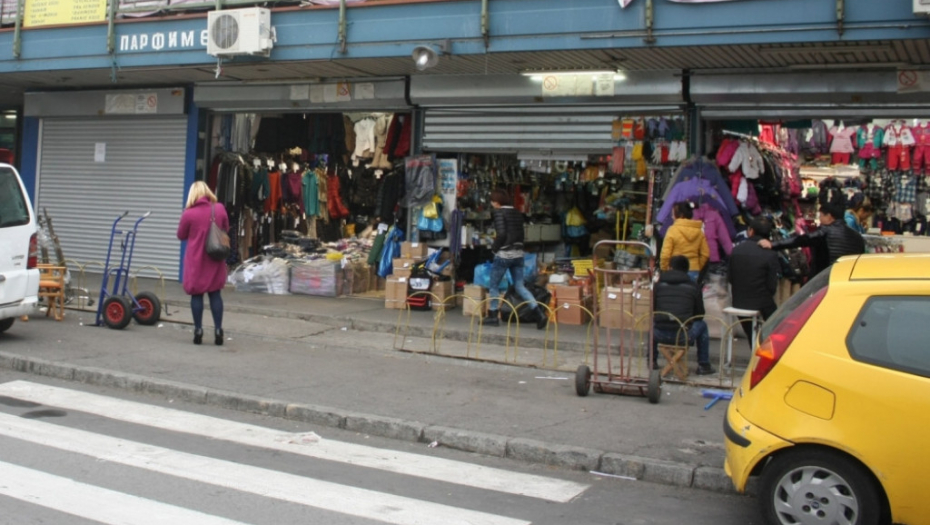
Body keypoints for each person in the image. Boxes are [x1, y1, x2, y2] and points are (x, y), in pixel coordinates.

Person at [483, 189, 547, 330]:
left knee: (493, 285)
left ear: (497, 202)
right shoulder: (517, 213)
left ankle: (493, 315)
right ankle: (539, 314)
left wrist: (494, 248)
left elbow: (501, 234)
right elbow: (521, 233)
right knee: (520, 286)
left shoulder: (499, 213)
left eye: (492, 201)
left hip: (504, 254)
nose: (492, 204)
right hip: (518, 254)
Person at [177, 181, 229, 345]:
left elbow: (181, 235)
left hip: (196, 260)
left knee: (197, 295)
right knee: (215, 294)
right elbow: (226, 228)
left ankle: (198, 330)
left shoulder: (189, 214)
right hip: (215, 258)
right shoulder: (219, 208)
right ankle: (218, 330)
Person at [759, 201, 865, 277]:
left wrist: (773, 244)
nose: (820, 219)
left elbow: (800, 240)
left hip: (826, 277)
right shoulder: (857, 236)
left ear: (829, 216)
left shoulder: (825, 231)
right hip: (849, 277)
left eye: (821, 216)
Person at [653, 255, 715, 375]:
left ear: (670, 268)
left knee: (652, 322)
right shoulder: (693, 286)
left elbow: (653, 309)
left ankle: (652, 361)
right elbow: (699, 315)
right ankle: (703, 365)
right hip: (683, 336)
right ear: (687, 270)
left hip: (659, 334)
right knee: (702, 325)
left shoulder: (658, 285)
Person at [728, 217, 781, 343]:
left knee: (752, 334)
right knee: (777, 325)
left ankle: (755, 345)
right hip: (762, 303)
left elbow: (730, 278)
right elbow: (772, 286)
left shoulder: (736, 250)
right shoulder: (770, 254)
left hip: (739, 301)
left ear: (751, 231)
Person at [660, 201, 709, 282]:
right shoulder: (699, 231)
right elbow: (705, 254)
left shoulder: (672, 230)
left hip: (675, 269)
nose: (672, 217)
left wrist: (665, 269)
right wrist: (697, 266)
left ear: (681, 215)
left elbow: (665, 255)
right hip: (694, 270)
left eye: (673, 214)